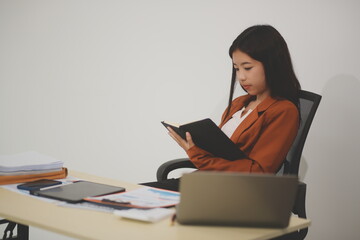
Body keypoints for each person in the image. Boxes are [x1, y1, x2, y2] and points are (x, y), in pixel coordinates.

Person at [142, 24, 301, 191]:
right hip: (204, 182)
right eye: (236, 68)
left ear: (272, 64)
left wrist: (197, 154)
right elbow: (220, 151)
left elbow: (258, 173)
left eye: (247, 68)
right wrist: (193, 143)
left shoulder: (284, 111)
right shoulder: (239, 103)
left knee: (133, 201)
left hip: (228, 192)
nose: (241, 77)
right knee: (126, 196)